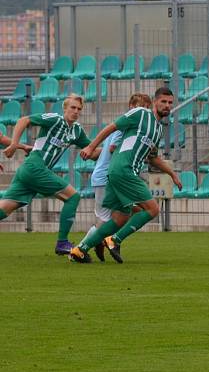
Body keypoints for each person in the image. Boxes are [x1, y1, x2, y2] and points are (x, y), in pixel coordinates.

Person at [69, 87, 182, 263]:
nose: (167, 106)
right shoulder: (141, 113)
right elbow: (111, 127)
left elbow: (153, 158)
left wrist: (173, 175)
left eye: (170, 103)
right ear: (155, 102)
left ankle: (80, 249)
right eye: (163, 102)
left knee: (120, 217)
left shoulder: (158, 130)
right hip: (124, 169)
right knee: (152, 209)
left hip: (117, 172)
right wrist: (91, 146)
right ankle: (115, 240)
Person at [0, 94, 94, 254]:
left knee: (5, 209)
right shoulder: (55, 119)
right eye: (72, 107)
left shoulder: (77, 131)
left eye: (79, 109)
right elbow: (24, 120)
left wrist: (113, 149)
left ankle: (63, 243)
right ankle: (62, 243)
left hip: (31, 171)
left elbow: (92, 150)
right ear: (64, 108)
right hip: (35, 167)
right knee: (73, 197)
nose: (76, 111)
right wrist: (15, 144)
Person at [76, 93, 152, 261]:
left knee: (129, 213)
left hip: (106, 176)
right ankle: (80, 249)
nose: (144, 111)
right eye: (141, 107)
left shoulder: (126, 126)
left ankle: (99, 243)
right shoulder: (125, 128)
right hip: (106, 177)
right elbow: (112, 148)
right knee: (106, 219)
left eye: (147, 108)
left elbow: (104, 151)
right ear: (131, 107)